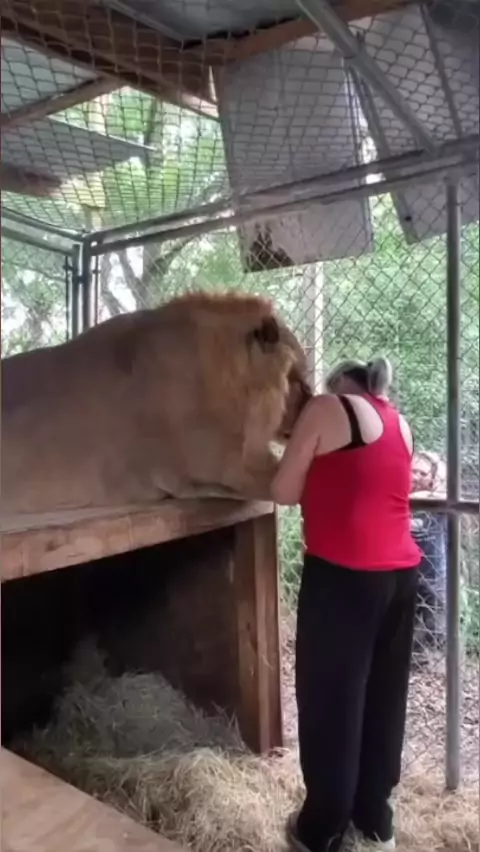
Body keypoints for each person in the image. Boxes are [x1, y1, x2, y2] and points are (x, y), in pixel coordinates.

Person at [271, 357, 422, 852]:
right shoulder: (401, 424)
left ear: (340, 384)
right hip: (401, 578)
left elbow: (283, 490)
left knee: (330, 700)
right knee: (383, 697)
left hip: (344, 577)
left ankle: (321, 828)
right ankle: (375, 821)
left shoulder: (327, 407)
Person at [410, 451, 448, 655]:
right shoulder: (398, 498)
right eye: (413, 471)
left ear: (433, 479)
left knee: (436, 635)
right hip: (405, 577)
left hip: (433, 582)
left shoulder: (438, 503)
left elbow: (445, 490)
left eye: (423, 473)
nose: (416, 477)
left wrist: (424, 494)